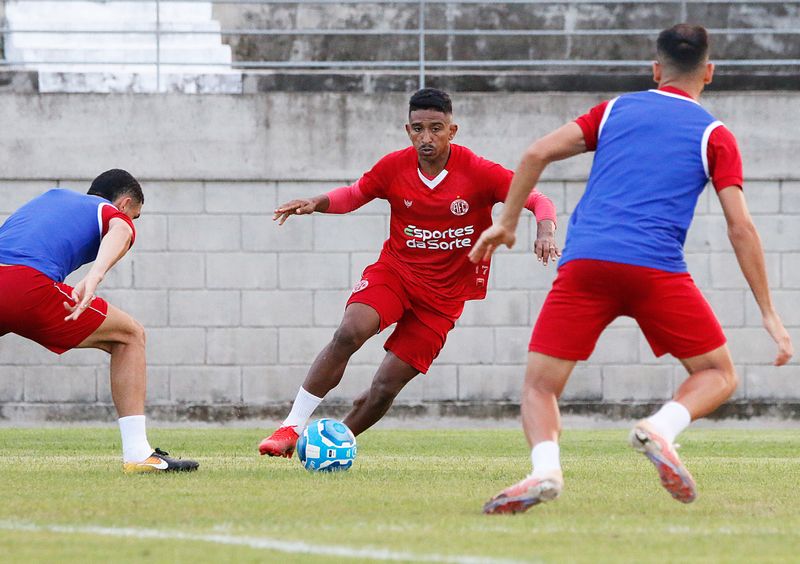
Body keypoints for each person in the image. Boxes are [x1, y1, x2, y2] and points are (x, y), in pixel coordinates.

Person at [470, 23, 793, 514]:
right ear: (709, 72)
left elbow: (535, 153)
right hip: (656, 270)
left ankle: (545, 471)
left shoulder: (615, 110)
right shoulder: (715, 135)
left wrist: (508, 224)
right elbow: (741, 227)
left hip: (585, 265)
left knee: (540, 385)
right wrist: (768, 313)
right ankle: (660, 430)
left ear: (655, 69)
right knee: (717, 373)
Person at [259, 88, 559, 457]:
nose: (426, 137)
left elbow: (537, 198)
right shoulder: (394, 167)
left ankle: (329, 445)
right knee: (349, 333)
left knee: (385, 387)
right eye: (419, 128)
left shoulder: (479, 172)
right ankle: (291, 426)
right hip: (396, 274)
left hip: (444, 299)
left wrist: (544, 229)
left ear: (452, 130)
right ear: (408, 130)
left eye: (436, 128)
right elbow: (354, 195)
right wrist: (316, 203)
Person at [0, 170, 199, 474]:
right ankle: (138, 453)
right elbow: (121, 229)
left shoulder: (52, 197)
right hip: (26, 285)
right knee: (130, 336)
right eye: (136, 214)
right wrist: (94, 276)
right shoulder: (109, 211)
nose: (133, 220)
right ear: (125, 202)